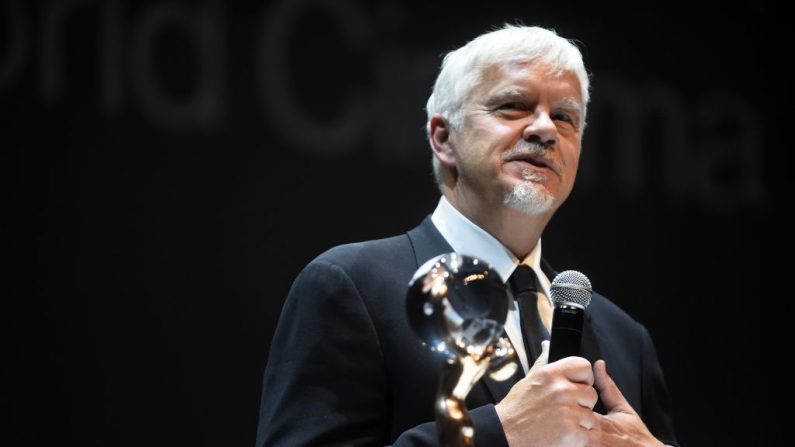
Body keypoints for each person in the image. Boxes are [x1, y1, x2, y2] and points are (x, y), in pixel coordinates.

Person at [255, 25, 677, 447]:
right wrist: (500, 432)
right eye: (513, 106)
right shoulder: (354, 288)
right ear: (443, 138)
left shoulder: (625, 339)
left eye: (565, 117)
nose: (545, 129)